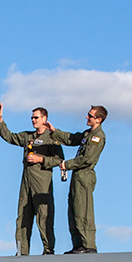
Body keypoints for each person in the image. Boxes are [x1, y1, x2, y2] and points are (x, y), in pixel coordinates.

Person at [0, 104, 62, 255]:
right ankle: (21, 251)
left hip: (42, 183)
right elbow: (10, 137)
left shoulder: (52, 138)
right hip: (26, 183)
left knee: (44, 216)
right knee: (23, 217)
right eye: (32, 117)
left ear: (44, 119)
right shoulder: (28, 136)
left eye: (36, 117)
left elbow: (59, 159)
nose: (33, 120)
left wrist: (41, 159)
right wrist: (0, 121)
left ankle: (48, 250)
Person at [46, 106, 108, 253]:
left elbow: (87, 159)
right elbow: (71, 138)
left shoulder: (97, 136)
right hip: (77, 175)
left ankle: (88, 245)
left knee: (83, 209)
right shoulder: (88, 133)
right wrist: (54, 131)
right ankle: (78, 244)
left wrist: (67, 164)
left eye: (90, 116)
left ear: (99, 119)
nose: (87, 117)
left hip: (85, 174)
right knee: (74, 209)